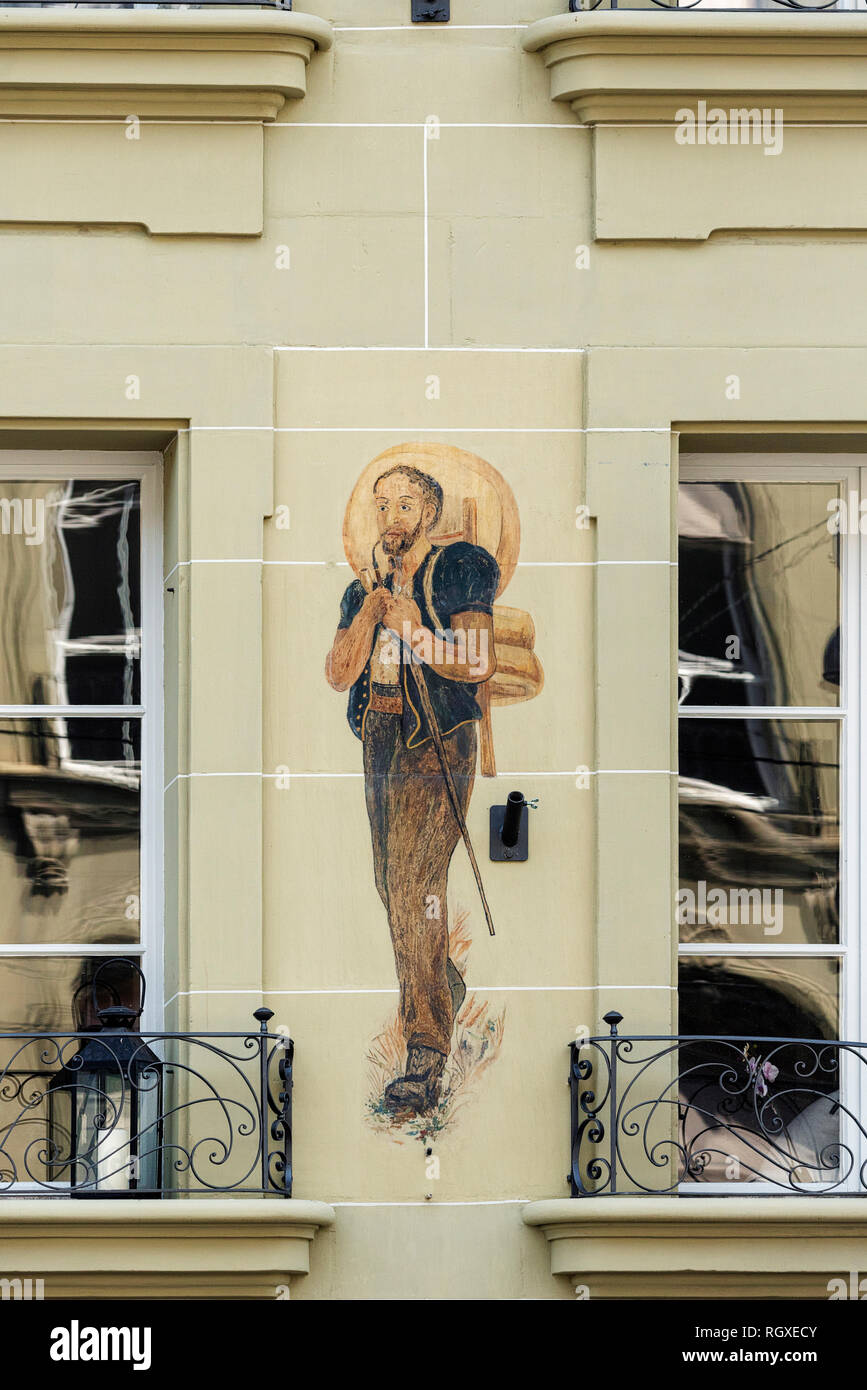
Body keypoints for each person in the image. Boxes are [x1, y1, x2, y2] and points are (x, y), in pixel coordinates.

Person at [326, 464, 498, 1113]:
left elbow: (477, 658)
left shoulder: (459, 566)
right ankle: (441, 984)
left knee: (416, 888)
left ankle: (424, 1049)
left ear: (427, 511)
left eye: (404, 503)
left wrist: (412, 629)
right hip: (381, 739)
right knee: (388, 884)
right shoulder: (362, 591)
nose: (391, 516)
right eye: (381, 505)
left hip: (438, 739)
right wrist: (372, 612)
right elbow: (340, 674)